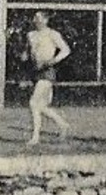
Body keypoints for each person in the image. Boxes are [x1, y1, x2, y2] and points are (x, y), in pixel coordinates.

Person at [23, 10, 71, 146]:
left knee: (33, 103)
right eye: (35, 17)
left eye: (39, 18)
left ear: (46, 20)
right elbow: (28, 51)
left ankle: (35, 136)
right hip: (36, 71)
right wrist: (25, 56)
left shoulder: (52, 34)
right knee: (41, 106)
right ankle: (63, 124)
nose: (36, 20)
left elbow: (66, 50)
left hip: (47, 70)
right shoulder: (30, 35)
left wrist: (53, 61)